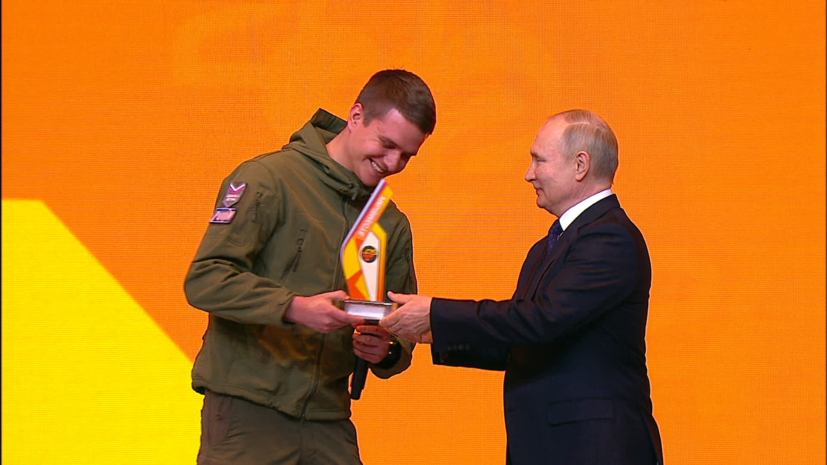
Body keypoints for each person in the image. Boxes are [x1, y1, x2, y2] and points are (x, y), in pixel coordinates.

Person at [381, 110, 664, 465]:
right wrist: (426, 330)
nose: (529, 174)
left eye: (539, 160)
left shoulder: (609, 237)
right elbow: (518, 343)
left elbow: (541, 320)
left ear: (580, 165)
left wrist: (436, 313)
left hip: (594, 449)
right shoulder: (547, 247)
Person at [185, 69, 436, 464]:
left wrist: (386, 350)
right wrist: (294, 307)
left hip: (328, 417)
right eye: (387, 144)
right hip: (247, 410)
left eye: (407, 155)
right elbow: (206, 279)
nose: (393, 163)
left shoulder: (390, 222)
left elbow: (399, 325)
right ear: (356, 116)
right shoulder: (269, 179)